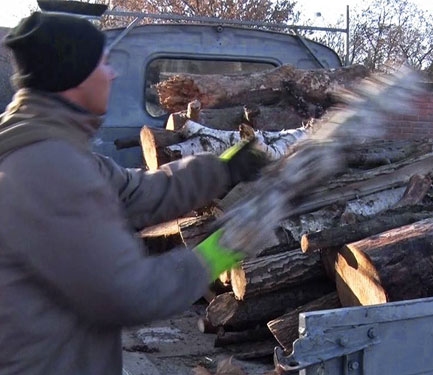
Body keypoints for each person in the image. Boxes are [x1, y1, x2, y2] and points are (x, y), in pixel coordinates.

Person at [0, 11, 266, 375]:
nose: (113, 73)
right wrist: (224, 248)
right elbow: (130, 293)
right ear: (74, 75)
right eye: (103, 63)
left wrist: (222, 170)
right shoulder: (47, 168)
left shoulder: (50, 148)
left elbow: (138, 191)